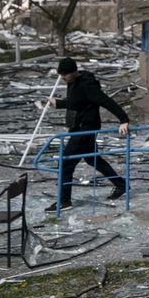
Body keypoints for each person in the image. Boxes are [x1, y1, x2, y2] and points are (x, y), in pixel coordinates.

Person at [44, 57, 130, 211]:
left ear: (74, 72)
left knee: (66, 162)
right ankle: (121, 184)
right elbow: (76, 102)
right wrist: (57, 103)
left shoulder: (87, 84)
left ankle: (64, 201)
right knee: (93, 159)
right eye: (61, 75)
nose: (63, 78)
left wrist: (123, 119)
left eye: (65, 75)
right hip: (78, 127)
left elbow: (106, 101)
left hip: (86, 128)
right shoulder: (72, 83)